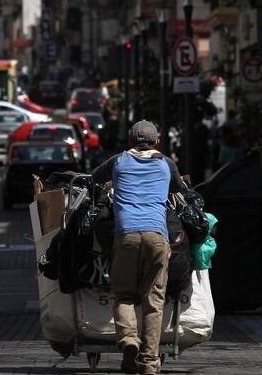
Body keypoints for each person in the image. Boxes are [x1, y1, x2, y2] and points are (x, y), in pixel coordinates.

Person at [91, 120, 185, 375]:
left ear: (130, 141)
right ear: (157, 142)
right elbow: (180, 188)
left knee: (124, 295)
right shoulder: (166, 163)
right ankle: (148, 362)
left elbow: (93, 178)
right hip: (157, 236)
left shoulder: (118, 161)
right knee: (153, 302)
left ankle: (129, 339)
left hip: (126, 235)